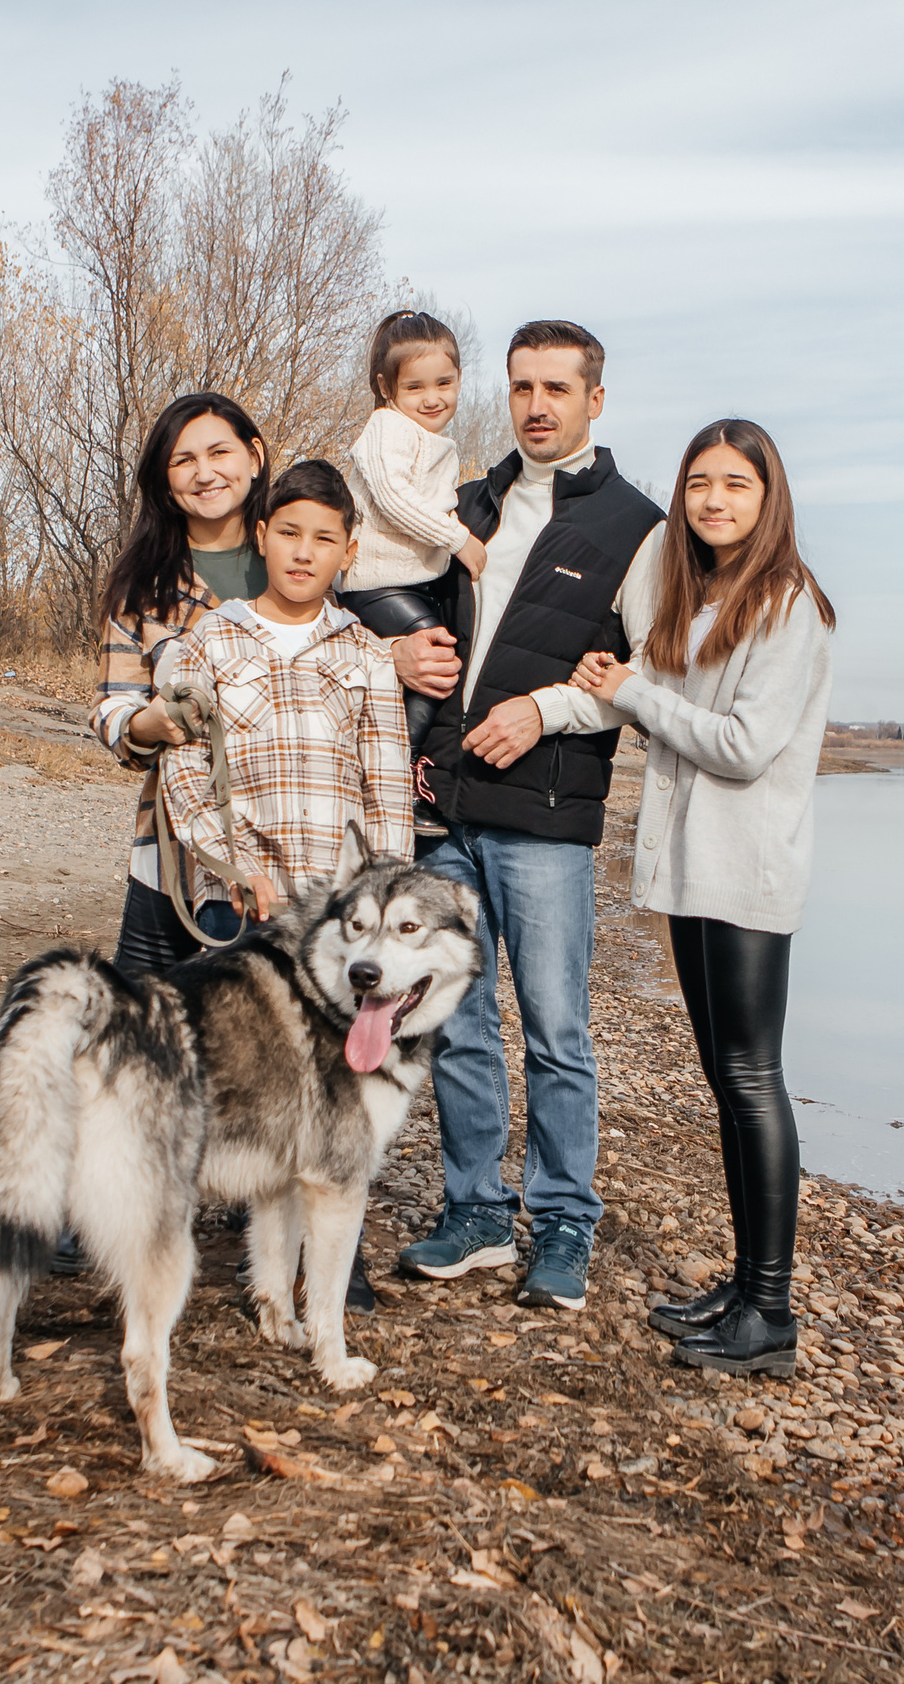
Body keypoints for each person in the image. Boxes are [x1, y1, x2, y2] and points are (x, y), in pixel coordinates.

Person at [388, 320, 666, 1313]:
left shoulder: (637, 525)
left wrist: (545, 708)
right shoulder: (469, 504)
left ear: (596, 398)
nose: (537, 405)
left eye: (557, 387)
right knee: (456, 1022)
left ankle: (562, 1225)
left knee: (555, 1032)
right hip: (448, 813)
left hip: (546, 818)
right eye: (521, 387)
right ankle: (474, 1211)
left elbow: (648, 679)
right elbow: (402, 616)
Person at [568, 419, 834, 1375]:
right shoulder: (701, 593)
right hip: (692, 869)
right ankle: (745, 1285)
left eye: (736, 485)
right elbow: (654, 646)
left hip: (749, 870)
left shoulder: (787, 602)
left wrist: (636, 692)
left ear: (771, 499)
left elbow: (742, 745)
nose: (714, 500)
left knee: (753, 1078)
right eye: (699, 484)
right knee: (727, 1080)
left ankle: (771, 1311)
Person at [153, 459, 415, 926]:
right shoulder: (213, 637)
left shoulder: (369, 654)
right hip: (236, 898)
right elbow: (185, 766)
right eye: (289, 534)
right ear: (261, 536)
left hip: (336, 910)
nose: (304, 553)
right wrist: (233, 866)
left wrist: (380, 898)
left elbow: (388, 791)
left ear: (348, 552)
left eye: (324, 539)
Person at [91, 392, 273, 976]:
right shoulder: (141, 585)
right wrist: (143, 724)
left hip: (284, 838)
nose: (204, 473)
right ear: (164, 480)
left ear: (255, 456)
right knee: (140, 1021)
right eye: (182, 460)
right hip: (173, 838)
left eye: (219, 452)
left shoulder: (303, 555)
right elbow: (111, 704)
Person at [336, 310, 488, 829]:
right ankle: (392, 777)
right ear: (386, 387)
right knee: (433, 649)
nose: (433, 397)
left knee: (426, 670)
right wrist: (458, 539)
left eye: (444, 383)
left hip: (407, 579)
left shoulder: (431, 438)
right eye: (416, 386)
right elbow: (394, 498)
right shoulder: (386, 429)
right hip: (372, 581)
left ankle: (399, 770)